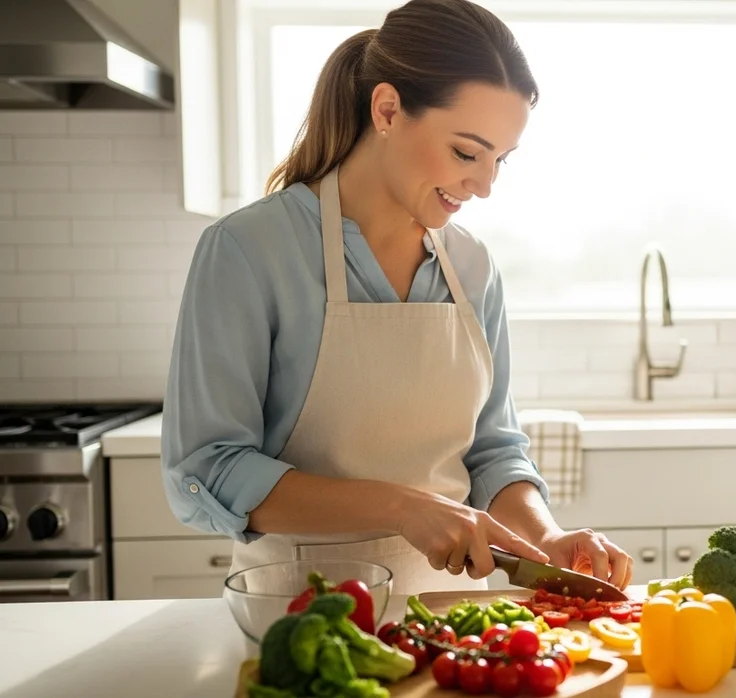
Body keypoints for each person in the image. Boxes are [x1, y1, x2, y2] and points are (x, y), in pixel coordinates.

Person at [161, 0, 632, 594]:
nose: (485, 185)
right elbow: (205, 470)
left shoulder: (472, 265)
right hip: (304, 618)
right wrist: (403, 507)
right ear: (387, 109)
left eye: (499, 160)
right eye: (467, 152)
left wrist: (547, 538)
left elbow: (492, 450)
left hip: (458, 622)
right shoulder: (248, 250)